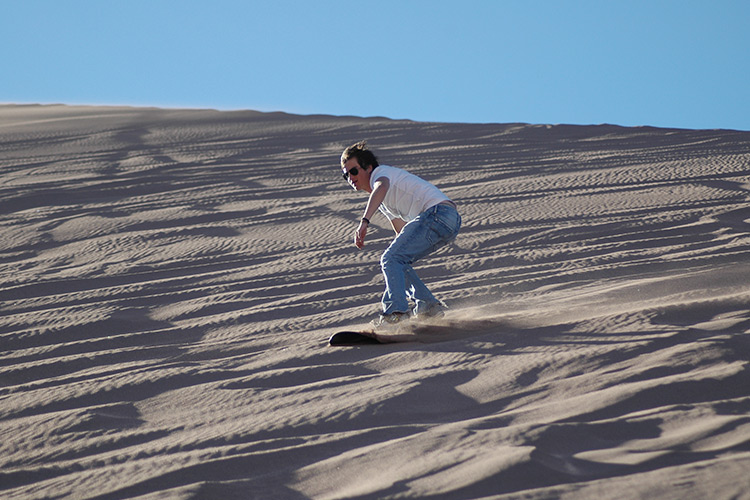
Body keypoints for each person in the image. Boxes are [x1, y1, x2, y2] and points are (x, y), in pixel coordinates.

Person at [340, 140, 461, 327]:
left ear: (368, 167)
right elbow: (402, 232)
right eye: (345, 175)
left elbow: (381, 187)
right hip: (447, 221)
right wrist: (395, 265)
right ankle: (428, 307)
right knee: (396, 260)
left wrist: (364, 222)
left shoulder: (380, 174)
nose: (350, 178)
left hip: (437, 214)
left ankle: (395, 314)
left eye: (354, 171)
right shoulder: (383, 201)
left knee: (391, 259)